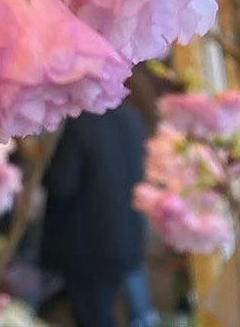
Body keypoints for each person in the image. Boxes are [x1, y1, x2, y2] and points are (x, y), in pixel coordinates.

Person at [40, 102, 157, 327]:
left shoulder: (79, 123)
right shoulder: (131, 116)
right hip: (127, 234)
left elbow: (61, 183)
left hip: (89, 246)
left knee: (95, 315)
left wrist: (42, 159)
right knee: (125, 311)